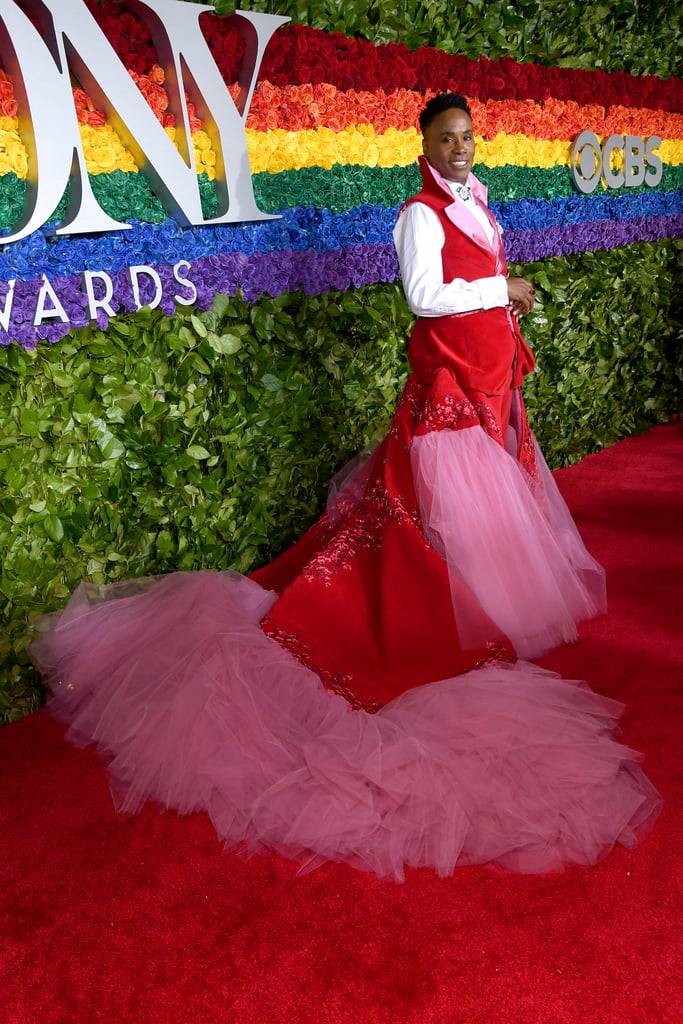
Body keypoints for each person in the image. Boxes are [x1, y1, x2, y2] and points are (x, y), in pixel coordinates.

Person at [30, 94, 660, 882]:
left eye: (467, 136)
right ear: (423, 143)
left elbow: (479, 276)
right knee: (437, 504)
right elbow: (426, 299)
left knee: (480, 503)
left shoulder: (477, 198)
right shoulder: (417, 216)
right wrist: (505, 292)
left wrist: (503, 295)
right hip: (447, 385)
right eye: (445, 138)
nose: (460, 148)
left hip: (489, 376)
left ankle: (475, 600)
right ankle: (434, 612)